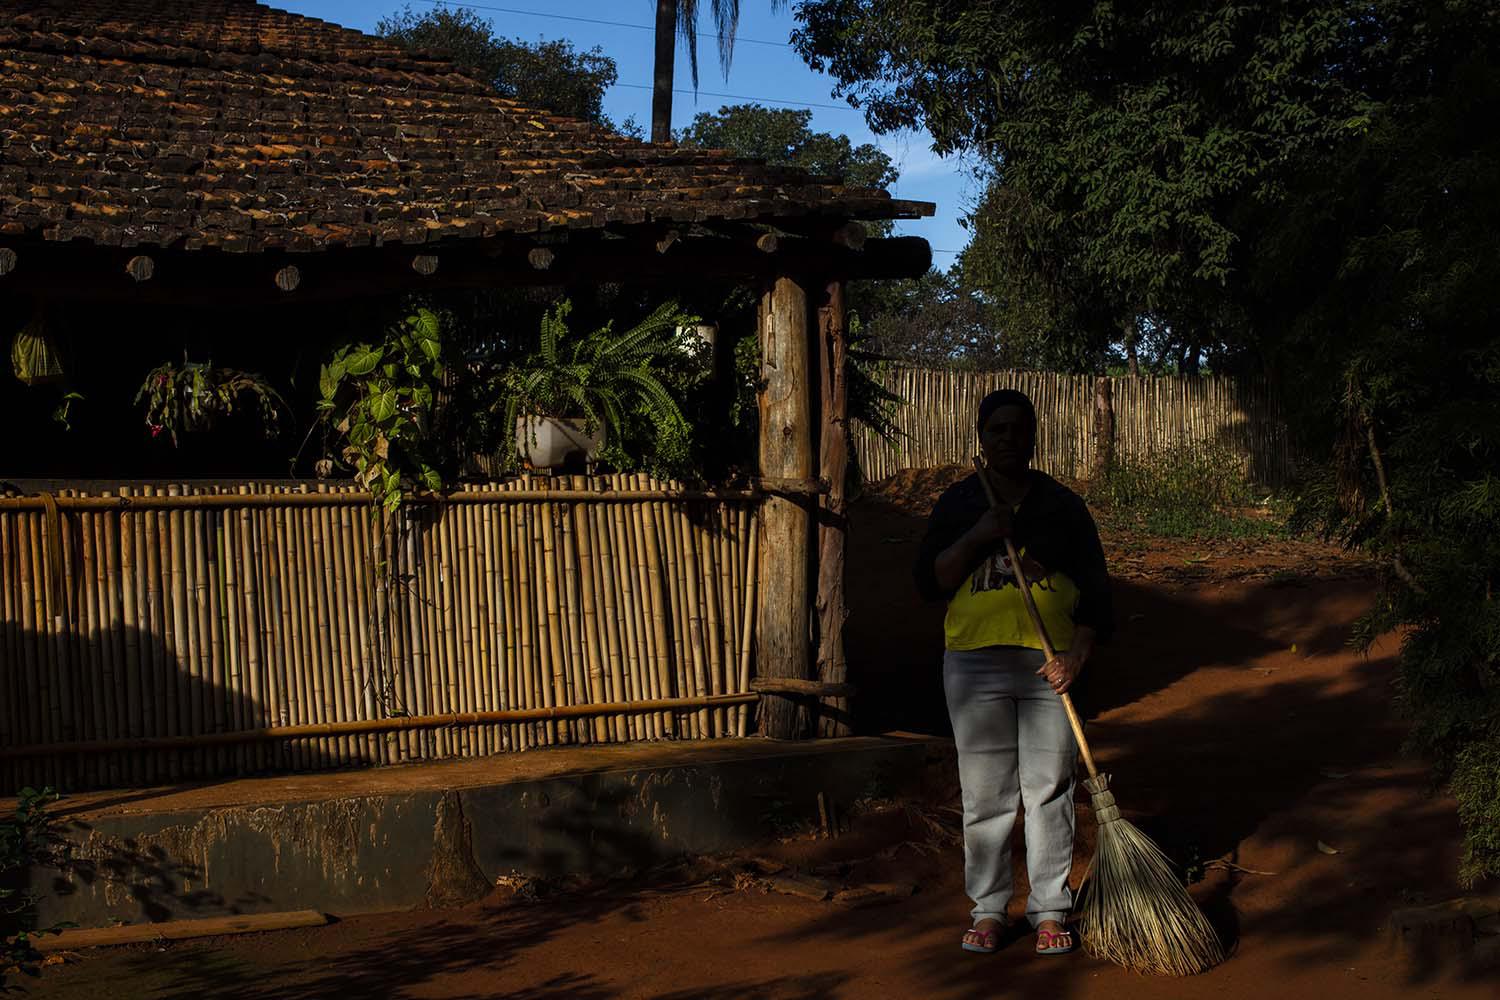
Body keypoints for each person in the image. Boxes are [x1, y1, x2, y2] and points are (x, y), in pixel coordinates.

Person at [913, 388, 1113, 956]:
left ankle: (1049, 908)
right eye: (996, 429)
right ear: (982, 438)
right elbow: (930, 581)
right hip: (974, 665)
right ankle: (990, 908)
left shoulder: (1062, 507)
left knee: (1049, 788)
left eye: (1017, 429)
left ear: (1033, 437)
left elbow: (1097, 594)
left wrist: (1076, 657)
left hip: (1050, 667)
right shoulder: (958, 503)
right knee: (986, 794)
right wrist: (979, 534)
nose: (1007, 438)